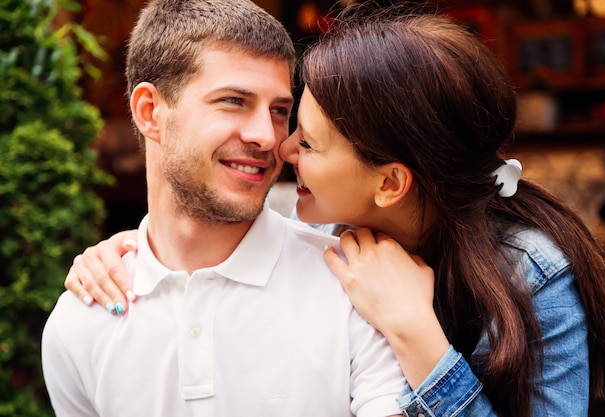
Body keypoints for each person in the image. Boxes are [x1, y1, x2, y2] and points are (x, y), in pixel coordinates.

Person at [63, 4, 605, 417]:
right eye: (236, 101)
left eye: (302, 136)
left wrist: (417, 334)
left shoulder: (532, 277)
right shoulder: (327, 228)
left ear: (389, 184)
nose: (277, 147)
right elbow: (199, 229)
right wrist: (125, 254)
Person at [40, 1, 407, 416]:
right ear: (150, 112)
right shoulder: (79, 323)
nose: (267, 137)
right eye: (234, 101)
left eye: (280, 111)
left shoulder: (358, 287)